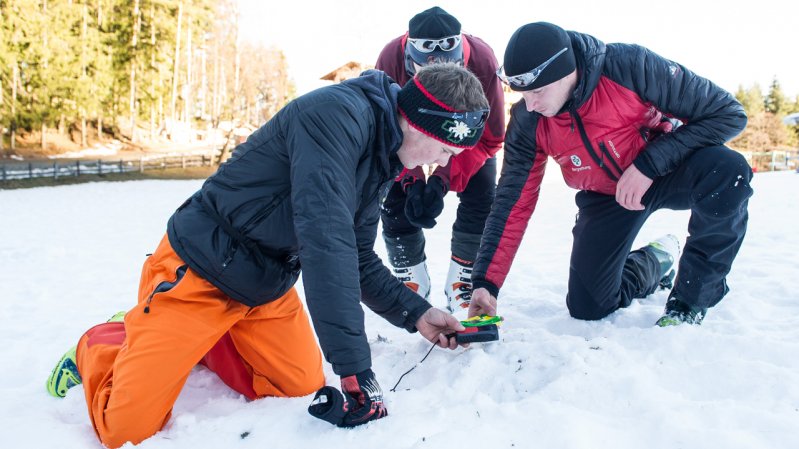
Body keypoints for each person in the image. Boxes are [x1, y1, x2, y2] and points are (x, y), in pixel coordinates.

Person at [46, 62, 490, 448]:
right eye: (447, 149)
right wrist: (355, 368)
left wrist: (417, 314)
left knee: (295, 388)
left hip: (264, 287)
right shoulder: (335, 117)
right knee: (126, 430)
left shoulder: (382, 154)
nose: (439, 164)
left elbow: (354, 254)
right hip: (200, 272)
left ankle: (195, 342)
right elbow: (325, 241)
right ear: (423, 123)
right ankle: (105, 340)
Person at [469, 22, 753, 326]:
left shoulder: (628, 67)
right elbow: (513, 203)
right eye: (523, 94)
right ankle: (654, 261)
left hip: (669, 170)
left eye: (537, 91)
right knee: (588, 306)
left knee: (728, 171)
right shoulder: (529, 121)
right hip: (607, 195)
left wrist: (649, 165)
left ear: (567, 72)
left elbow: (728, 113)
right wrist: (487, 282)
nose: (531, 105)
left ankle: (690, 300)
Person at [375, 6, 505, 316]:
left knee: (483, 189)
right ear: (410, 63)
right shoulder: (390, 58)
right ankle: (410, 272)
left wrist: (442, 178)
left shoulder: (484, 60)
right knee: (390, 185)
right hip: (412, 133)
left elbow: (491, 137)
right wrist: (412, 179)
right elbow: (389, 131)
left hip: (465, 136)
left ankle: (464, 276)